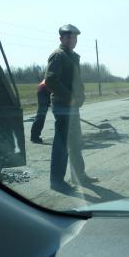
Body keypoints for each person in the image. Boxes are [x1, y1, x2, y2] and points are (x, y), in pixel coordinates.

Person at [45, 24, 99, 193]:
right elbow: (51, 80)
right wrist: (70, 99)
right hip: (63, 106)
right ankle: (57, 182)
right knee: (62, 144)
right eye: (68, 37)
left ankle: (79, 176)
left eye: (74, 37)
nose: (72, 40)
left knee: (75, 142)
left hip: (72, 106)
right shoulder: (58, 55)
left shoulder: (72, 56)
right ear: (61, 39)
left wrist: (79, 98)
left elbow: (75, 80)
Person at [30, 79, 51, 143]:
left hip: (44, 89)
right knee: (41, 115)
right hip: (44, 90)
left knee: (41, 115)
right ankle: (34, 137)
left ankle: (35, 136)